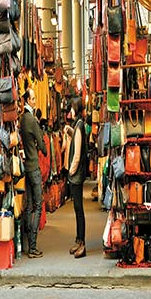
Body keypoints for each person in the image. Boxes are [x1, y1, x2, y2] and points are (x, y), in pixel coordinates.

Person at [19, 88, 47, 258]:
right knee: (37, 204)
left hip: (26, 166)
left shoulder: (22, 118)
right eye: (34, 98)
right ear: (28, 100)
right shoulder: (31, 119)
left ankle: (28, 244)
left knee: (29, 206)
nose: (36, 101)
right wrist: (42, 147)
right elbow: (42, 144)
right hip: (34, 166)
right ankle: (33, 246)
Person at [64, 96, 87, 258]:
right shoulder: (78, 126)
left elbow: (77, 154)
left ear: (76, 109)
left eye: (72, 108)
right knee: (77, 209)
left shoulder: (79, 127)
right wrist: (69, 130)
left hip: (76, 175)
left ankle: (82, 243)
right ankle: (78, 240)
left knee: (79, 210)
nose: (69, 111)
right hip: (76, 174)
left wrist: (71, 171)